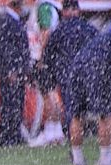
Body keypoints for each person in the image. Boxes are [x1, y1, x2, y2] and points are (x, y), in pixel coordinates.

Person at [65, 14, 111, 165]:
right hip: (99, 67)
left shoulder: (105, 36)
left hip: (78, 64)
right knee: (105, 115)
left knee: (77, 115)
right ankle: (105, 161)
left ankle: (78, 163)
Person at [43, 0, 97, 138]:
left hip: (67, 76)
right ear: (78, 10)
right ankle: (90, 132)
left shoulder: (58, 31)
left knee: (72, 110)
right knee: (89, 106)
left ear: (64, 11)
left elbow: (48, 55)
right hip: (87, 75)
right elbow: (98, 51)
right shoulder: (89, 29)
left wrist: (51, 76)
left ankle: (73, 138)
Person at [28, 0, 66, 146]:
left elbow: (45, 32)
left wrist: (41, 57)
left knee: (47, 94)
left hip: (46, 58)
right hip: (54, 57)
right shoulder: (51, 7)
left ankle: (50, 132)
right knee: (51, 93)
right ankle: (56, 131)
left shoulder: (44, 7)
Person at [0, 0, 30, 145]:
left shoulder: (13, 21)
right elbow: (6, 48)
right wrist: (12, 69)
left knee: (16, 101)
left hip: (17, 69)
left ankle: (14, 133)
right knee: (10, 103)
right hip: (11, 70)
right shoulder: (6, 21)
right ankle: (8, 136)